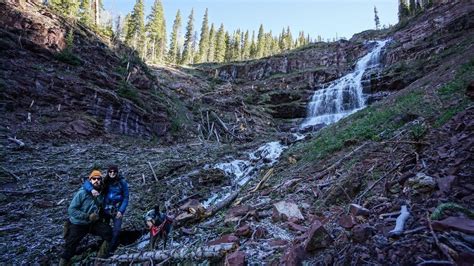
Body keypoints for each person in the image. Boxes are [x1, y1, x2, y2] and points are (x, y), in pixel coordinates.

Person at [59, 170, 112, 266]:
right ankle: (63, 263)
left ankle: (100, 259)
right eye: (94, 178)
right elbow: (71, 210)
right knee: (70, 247)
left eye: (98, 179)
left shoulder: (101, 192)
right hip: (78, 223)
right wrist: (87, 216)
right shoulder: (82, 193)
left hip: (92, 223)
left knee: (109, 233)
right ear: (90, 180)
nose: (96, 180)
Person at [83, 165, 129, 253]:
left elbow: (126, 198)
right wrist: (91, 190)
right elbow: (86, 183)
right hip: (104, 209)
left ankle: (110, 249)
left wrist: (121, 210)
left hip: (116, 210)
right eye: (110, 172)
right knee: (103, 228)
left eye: (114, 172)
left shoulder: (122, 183)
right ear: (108, 172)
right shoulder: (105, 180)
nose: (112, 173)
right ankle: (102, 245)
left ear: (117, 172)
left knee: (116, 230)